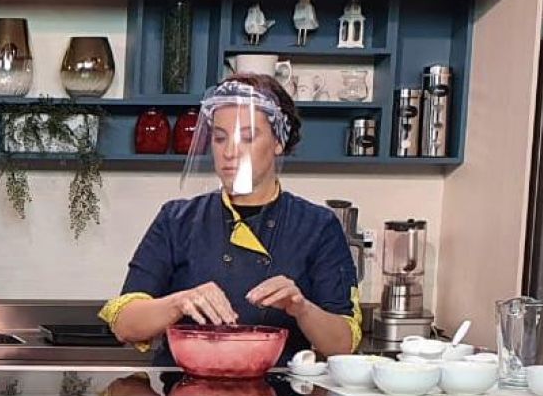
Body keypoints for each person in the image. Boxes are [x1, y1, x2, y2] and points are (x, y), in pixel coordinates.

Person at [99, 73, 360, 367]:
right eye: (220, 137)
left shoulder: (318, 226)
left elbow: (342, 344)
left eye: (247, 137)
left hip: (278, 392)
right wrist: (179, 302)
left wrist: (302, 308)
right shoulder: (176, 219)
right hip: (181, 390)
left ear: (278, 141)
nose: (230, 152)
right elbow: (124, 324)